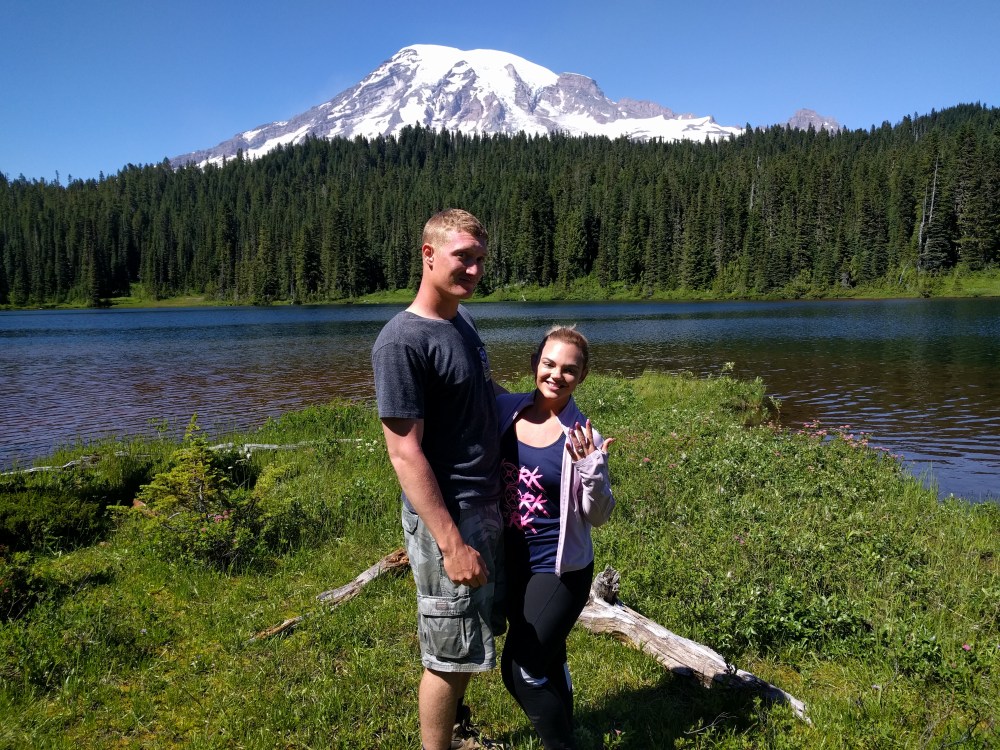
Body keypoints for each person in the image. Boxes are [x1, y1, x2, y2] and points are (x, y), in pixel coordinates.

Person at [372, 208, 504, 750]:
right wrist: (451, 543)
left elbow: (485, 402)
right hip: (449, 516)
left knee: (471, 633)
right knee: (448, 654)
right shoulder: (401, 342)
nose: (472, 270)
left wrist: (548, 413)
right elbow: (405, 453)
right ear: (427, 255)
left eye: (478, 260)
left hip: (485, 501)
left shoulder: (460, 321)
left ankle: (459, 728)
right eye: (461, 258)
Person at [496, 326, 616, 750]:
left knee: (522, 668)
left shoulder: (583, 436)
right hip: (511, 563)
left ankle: (562, 745)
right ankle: (570, 727)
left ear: (581, 377)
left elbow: (598, 515)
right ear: (534, 364)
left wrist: (593, 469)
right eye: (549, 364)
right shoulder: (504, 411)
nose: (556, 375)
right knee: (549, 655)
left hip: (559, 569)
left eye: (569, 369)